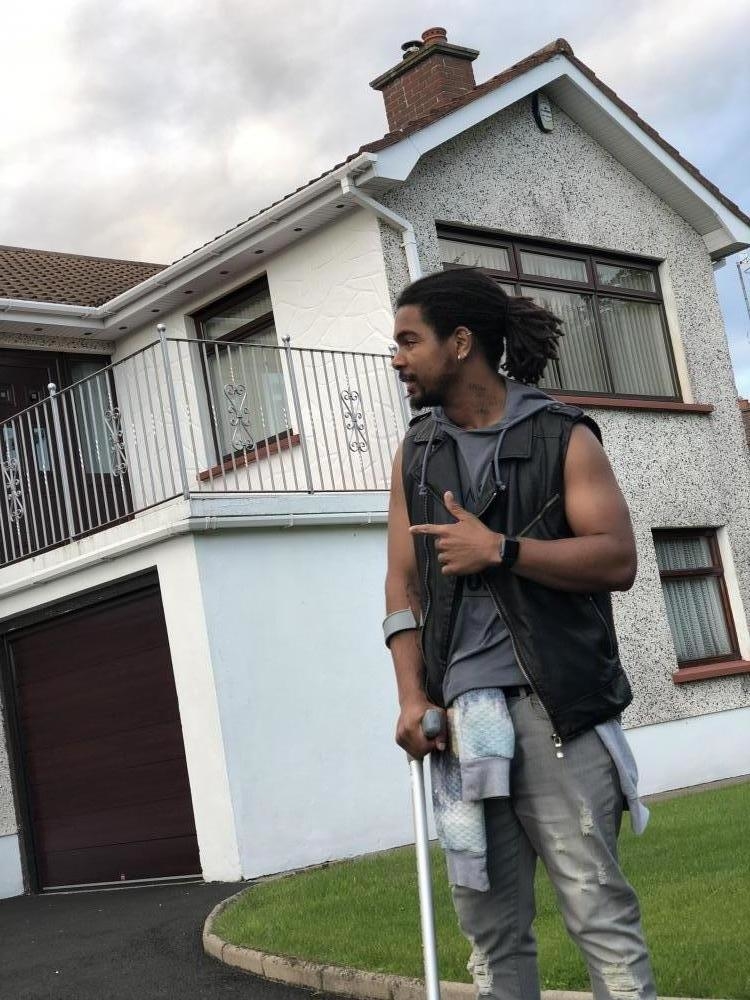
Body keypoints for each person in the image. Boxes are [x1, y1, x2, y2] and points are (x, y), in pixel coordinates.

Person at [384, 268, 656, 1000]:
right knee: (491, 932)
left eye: (409, 341)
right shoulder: (416, 453)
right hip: (460, 724)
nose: (397, 358)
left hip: (557, 711)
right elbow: (403, 587)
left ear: (460, 342)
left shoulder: (562, 435)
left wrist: (501, 550)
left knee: (598, 913)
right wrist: (410, 697)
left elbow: (617, 558)